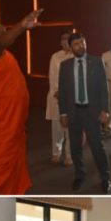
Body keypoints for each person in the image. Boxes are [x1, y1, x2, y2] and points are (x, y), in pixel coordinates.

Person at [0, 9, 43, 194]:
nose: (0, 36)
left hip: (14, 125)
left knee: (13, 165)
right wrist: (21, 26)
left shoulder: (8, 57)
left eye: (3, 32)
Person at [58, 32, 111, 194]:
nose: (80, 46)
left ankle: (105, 177)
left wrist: (105, 110)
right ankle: (80, 175)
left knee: (97, 147)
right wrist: (63, 114)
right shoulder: (65, 66)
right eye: (76, 44)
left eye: (83, 43)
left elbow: (104, 88)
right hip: (74, 112)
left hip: (92, 112)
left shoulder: (96, 62)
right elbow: (63, 92)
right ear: (70, 47)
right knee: (75, 148)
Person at [46, 31, 73, 166]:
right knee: (57, 126)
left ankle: (69, 155)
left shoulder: (76, 56)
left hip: (72, 98)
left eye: (67, 39)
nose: (65, 41)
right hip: (57, 96)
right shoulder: (55, 56)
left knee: (71, 127)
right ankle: (56, 153)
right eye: (62, 38)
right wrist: (57, 92)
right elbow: (52, 77)